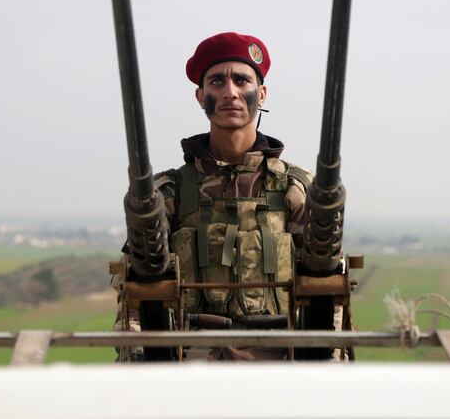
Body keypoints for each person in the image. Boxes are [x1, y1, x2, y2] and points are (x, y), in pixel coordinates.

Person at [115, 32, 330, 360]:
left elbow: (325, 287)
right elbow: (135, 296)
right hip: (191, 365)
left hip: (278, 362)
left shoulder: (294, 188)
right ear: (201, 96)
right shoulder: (168, 193)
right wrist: (141, 366)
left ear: (261, 93)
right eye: (217, 81)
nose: (230, 92)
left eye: (242, 80)